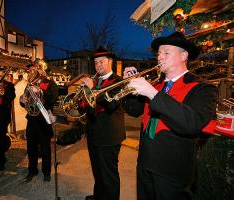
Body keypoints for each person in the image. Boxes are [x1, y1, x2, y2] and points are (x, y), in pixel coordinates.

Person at [122, 32, 218, 200]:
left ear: (184, 56)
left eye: (166, 52)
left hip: (173, 170)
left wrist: (153, 94)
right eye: (159, 53)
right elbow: (134, 110)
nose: (160, 57)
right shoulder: (155, 85)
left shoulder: (203, 88)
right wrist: (128, 87)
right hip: (145, 164)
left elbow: (192, 123)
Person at [81, 47, 126, 200]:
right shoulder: (96, 81)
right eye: (95, 62)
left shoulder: (118, 81)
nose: (98, 65)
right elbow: (87, 106)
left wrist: (93, 88)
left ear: (110, 62)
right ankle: (99, 196)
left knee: (109, 173)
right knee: (97, 170)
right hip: (93, 132)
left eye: (101, 62)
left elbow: (111, 105)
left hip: (109, 135)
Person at [20, 60, 58, 183]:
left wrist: (40, 91)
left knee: (45, 148)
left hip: (43, 120)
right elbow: (24, 102)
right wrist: (22, 100)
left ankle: (46, 172)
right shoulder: (30, 84)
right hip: (31, 119)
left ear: (41, 70)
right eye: (30, 70)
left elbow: (53, 98)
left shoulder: (50, 83)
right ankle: (32, 171)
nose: (31, 72)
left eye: (33, 70)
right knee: (31, 148)